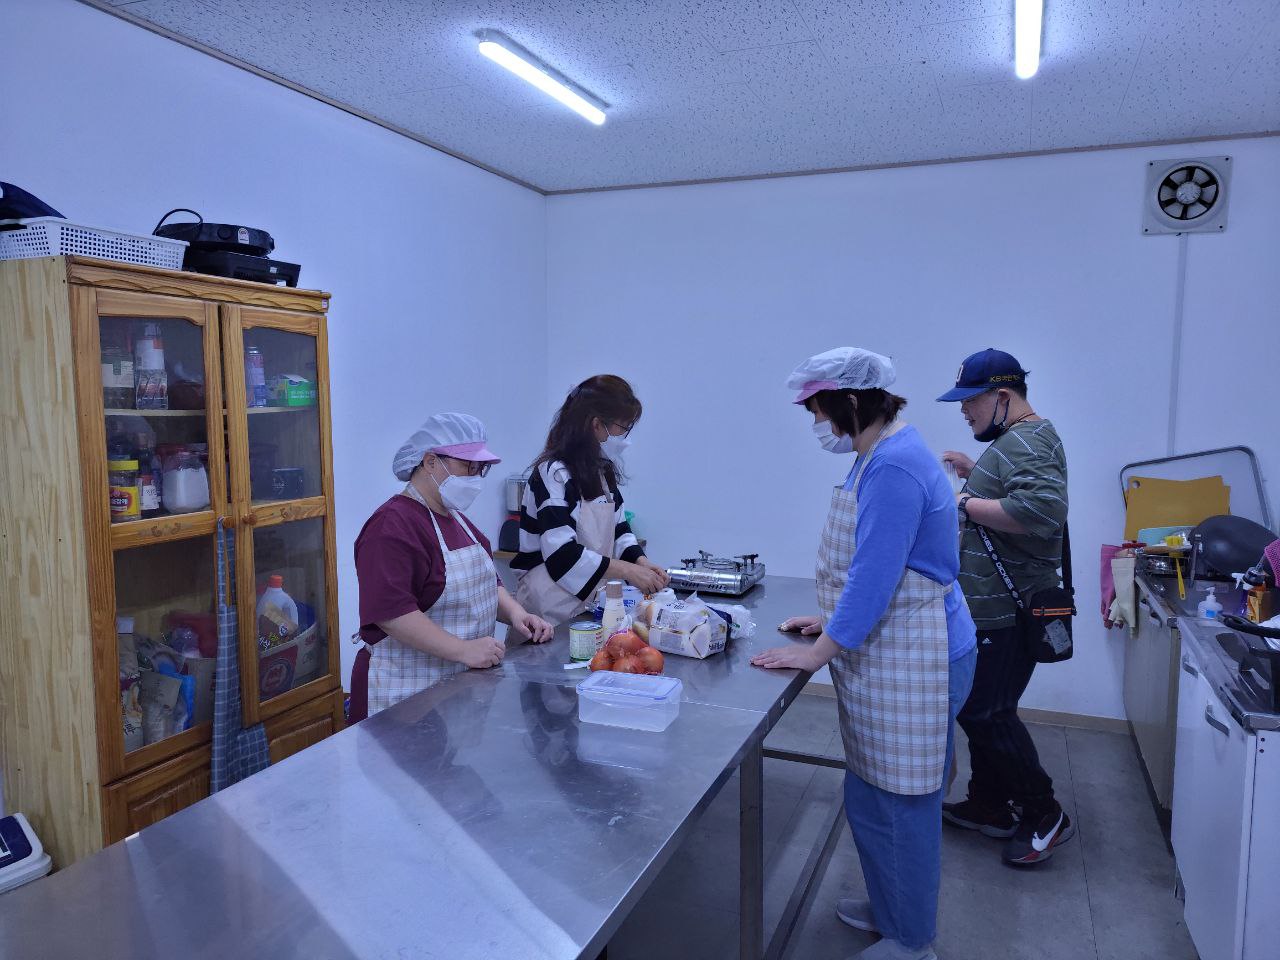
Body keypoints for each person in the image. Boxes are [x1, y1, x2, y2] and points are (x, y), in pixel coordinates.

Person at [753, 347, 977, 960]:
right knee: (872, 792)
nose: (816, 425)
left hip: (922, 655)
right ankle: (892, 905)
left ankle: (912, 942)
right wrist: (829, 621)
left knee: (902, 801)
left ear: (851, 402)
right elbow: (880, 568)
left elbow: (878, 578)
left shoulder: (895, 466)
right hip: (891, 649)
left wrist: (816, 654)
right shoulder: (874, 456)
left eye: (819, 411)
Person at [937, 348, 1073, 866]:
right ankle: (990, 805)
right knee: (982, 711)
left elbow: (1039, 512)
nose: (964, 412)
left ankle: (1043, 811)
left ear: (1001, 396)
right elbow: (1019, 492)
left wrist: (964, 501)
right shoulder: (1016, 441)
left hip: (1012, 611)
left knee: (986, 711)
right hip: (992, 609)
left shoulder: (1031, 440)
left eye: (970, 401)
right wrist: (978, 472)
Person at [349, 413, 553, 721]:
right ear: (430, 462)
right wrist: (463, 650)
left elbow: (487, 584)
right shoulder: (391, 526)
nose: (474, 477)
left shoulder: (456, 519)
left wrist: (517, 615)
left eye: (479, 469)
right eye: (467, 467)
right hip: (402, 693)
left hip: (448, 689)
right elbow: (392, 614)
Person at [512, 375, 669, 625]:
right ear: (596, 425)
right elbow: (562, 553)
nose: (625, 437)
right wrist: (628, 571)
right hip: (548, 610)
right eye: (623, 427)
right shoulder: (553, 474)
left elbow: (620, 531)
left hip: (589, 603)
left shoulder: (602, 473)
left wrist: (642, 562)